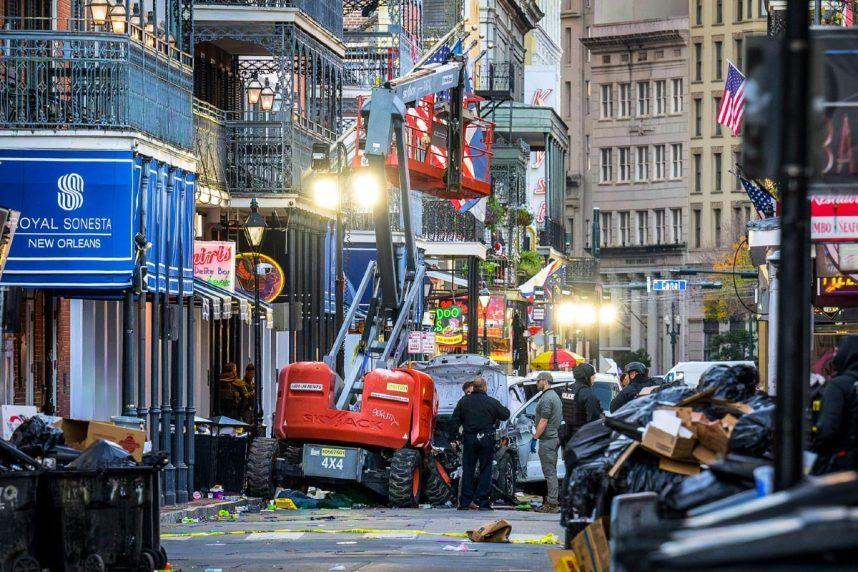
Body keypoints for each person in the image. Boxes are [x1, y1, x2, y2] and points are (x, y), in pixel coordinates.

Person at [450, 376, 510, 510]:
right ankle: (483, 501)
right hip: (486, 439)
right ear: (484, 387)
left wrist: (454, 438)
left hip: (470, 439)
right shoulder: (491, 402)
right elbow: (505, 414)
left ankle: (465, 501)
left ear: (474, 387)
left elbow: (454, 421)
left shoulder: (464, 402)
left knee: (468, 470)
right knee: (485, 469)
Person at [812, 336, 858, 474]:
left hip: (843, 464)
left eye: (837, 352)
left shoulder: (839, 386)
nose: (833, 355)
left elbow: (826, 430)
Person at [532, 371, 563, 513]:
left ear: (544, 381)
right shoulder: (553, 396)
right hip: (553, 437)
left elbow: (543, 421)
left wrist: (535, 437)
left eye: (538, 381)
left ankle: (552, 503)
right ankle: (551, 500)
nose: (536, 383)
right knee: (551, 470)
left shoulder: (546, 398)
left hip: (548, 439)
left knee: (549, 472)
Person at [559, 363, 603, 448]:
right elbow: (595, 420)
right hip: (584, 440)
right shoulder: (587, 394)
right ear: (587, 376)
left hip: (568, 438)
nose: (594, 377)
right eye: (593, 375)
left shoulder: (569, 390)